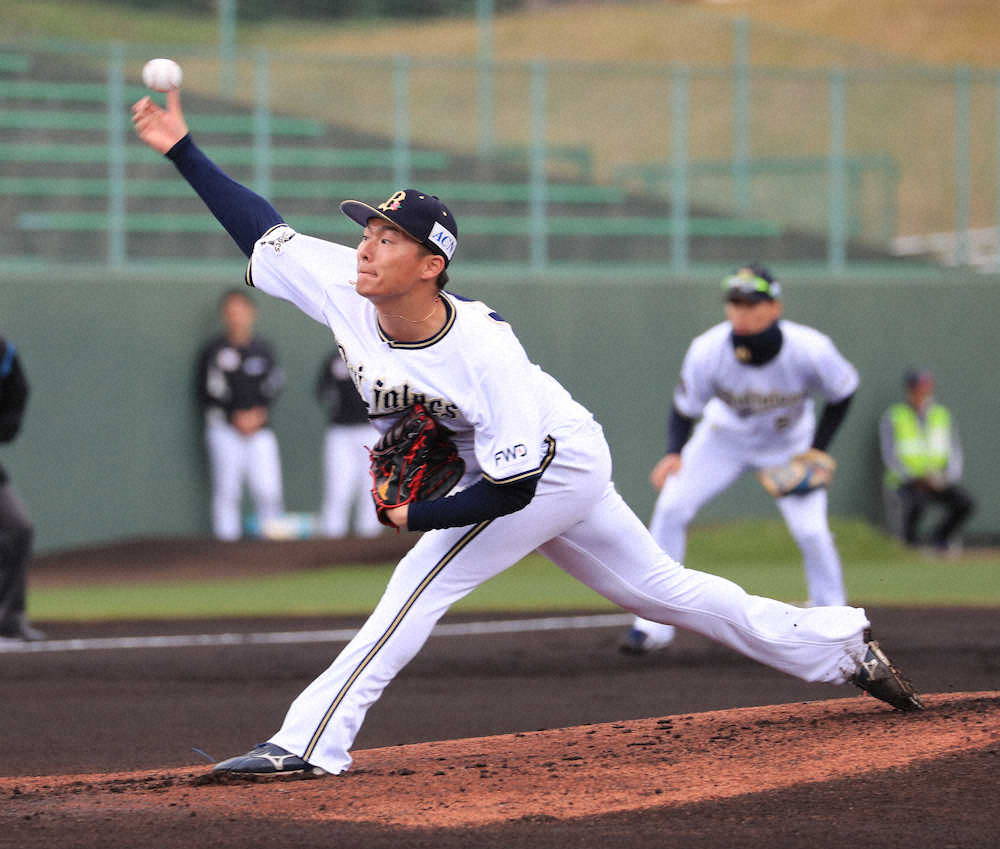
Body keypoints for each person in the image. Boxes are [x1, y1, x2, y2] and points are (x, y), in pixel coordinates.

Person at [131, 86, 923, 779]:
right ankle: (839, 644)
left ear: (431, 265)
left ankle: (309, 741)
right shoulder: (347, 281)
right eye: (367, 230)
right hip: (525, 458)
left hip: (547, 463)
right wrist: (183, 150)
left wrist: (419, 517)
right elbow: (260, 230)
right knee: (665, 592)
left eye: (387, 237)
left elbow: (509, 487)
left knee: (418, 583)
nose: (366, 245)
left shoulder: (483, 350)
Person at [620, 265, 859, 655]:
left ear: (775, 307)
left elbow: (843, 391)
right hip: (722, 440)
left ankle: (836, 626)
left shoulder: (810, 348)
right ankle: (652, 625)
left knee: (812, 532)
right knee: (671, 507)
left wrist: (818, 448)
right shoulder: (708, 349)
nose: (740, 312)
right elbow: (684, 407)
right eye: (734, 302)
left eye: (751, 303)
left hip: (789, 445)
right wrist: (673, 453)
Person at [197, 288, 286, 540]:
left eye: (241, 311)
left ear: (252, 313)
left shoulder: (263, 349)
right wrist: (234, 415)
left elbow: (274, 385)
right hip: (224, 429)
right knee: (228, 492)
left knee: (268, 489)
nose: (236, 317)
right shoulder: (214, 351)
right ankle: (228, 551)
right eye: (231, 312)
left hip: (260, 429)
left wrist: (257, 415)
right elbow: (207, 390)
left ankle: (274, 547)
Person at [880, 368, 974, 552]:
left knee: (965, 503)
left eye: (926, 388)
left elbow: (954, 450)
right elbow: (889, 455)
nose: (922, 393)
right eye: (918, 388)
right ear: (909, 389)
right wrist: (914, 477)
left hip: (938, 480)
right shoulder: (894, 416)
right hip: (907, 482)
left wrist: (947, 477)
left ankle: (940, 539)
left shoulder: (942, 415)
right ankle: (910, 545)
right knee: (917, 503)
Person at [0, 337, 44, 642]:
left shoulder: (3, 350)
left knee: (19, 528)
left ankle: (10, 618)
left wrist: (6, 426)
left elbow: (18, 392)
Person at [316, 347, 382, 538]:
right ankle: (332, 541)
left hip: (373, 431)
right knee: (338, 490)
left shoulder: (378, 356)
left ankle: (368, 544)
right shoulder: (335, 359)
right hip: (341, 431)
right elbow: (323, 391)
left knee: (371, 492)